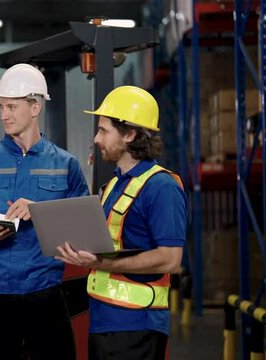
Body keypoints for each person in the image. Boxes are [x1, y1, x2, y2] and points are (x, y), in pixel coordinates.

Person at [0, 63, 89, 360]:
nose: (4, 115)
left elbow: (83, 230)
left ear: (35, 107)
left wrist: (40, 210)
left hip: (44, 289)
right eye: (1, 106)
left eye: (12, 107)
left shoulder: (66, 165)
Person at [56, 85, 188, 360]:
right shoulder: (115, 183)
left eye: (104, 130)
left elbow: (170, 260)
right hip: (104, 321)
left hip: (137, 328)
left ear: (130, 134)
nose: (96, 138)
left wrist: (102, 263)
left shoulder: (161, 187)